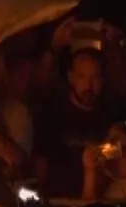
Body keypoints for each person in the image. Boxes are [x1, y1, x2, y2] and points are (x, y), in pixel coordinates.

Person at [38, 51, 115, 196]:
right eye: (82, 77)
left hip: (97, 200)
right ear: (71, 78)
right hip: (58, 201)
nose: (89, 85)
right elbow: (41, 163)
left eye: (95, 77)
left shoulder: (110, 119)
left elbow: (115, 159)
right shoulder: (53, 115)